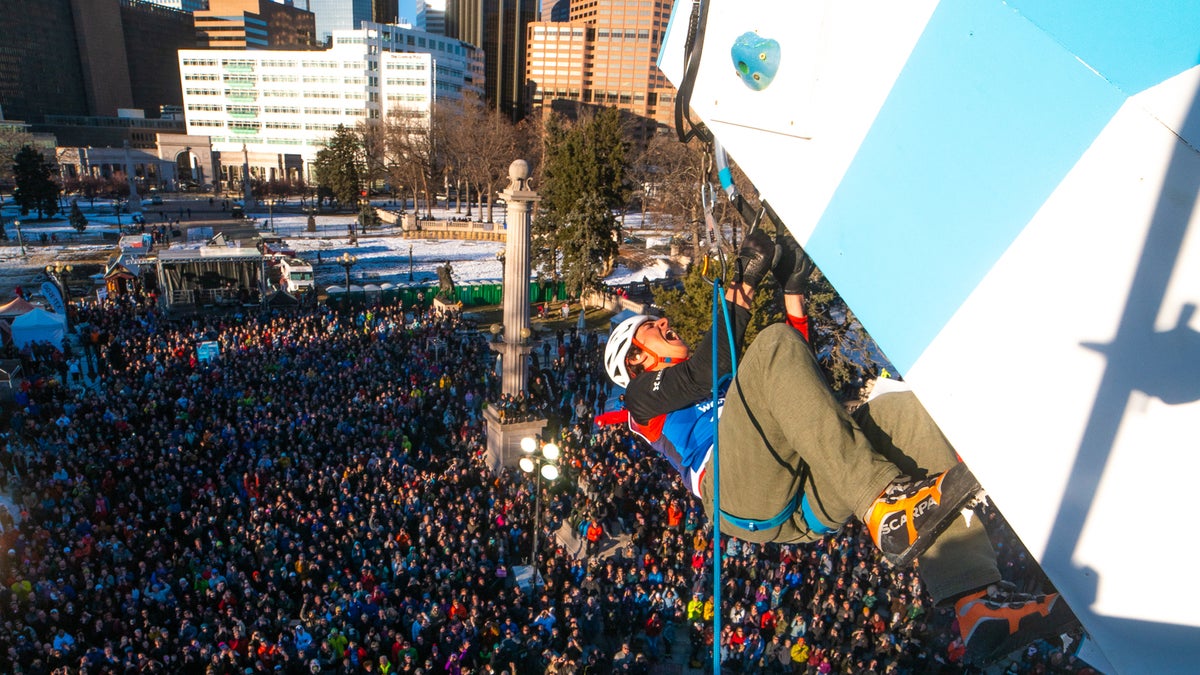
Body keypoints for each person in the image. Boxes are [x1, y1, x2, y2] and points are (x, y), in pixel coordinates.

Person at [601, 225, 1076, 665]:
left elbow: (803, 378)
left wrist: (792, 291)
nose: (664, 324)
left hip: (800, 494)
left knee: (901, 411)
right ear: (635, 358)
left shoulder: (720, 379)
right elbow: (714, 362)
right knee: (768, 346)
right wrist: (743, 281)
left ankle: (975, 600)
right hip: (734, 489)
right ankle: (882, 507)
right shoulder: (641, 401)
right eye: (652, 327)